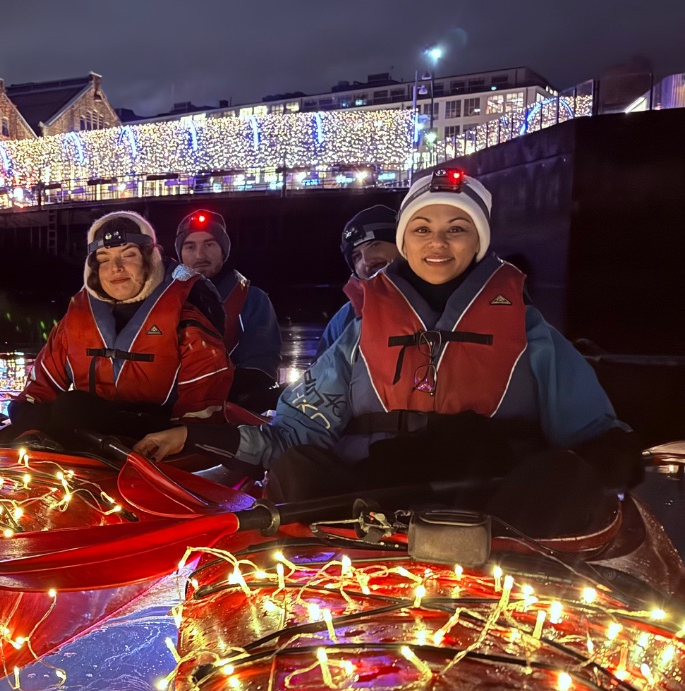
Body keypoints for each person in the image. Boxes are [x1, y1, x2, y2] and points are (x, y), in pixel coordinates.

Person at [134, 169, 640, 537]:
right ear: (407, 240)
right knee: (299, 466)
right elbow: (292, 434)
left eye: (456, 229)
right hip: (374, 506)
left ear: (479, 242)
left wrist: (610, 456)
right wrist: (194, 433)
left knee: (563, 474)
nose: (437, 243)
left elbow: (593, 436)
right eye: (422, 229)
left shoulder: (531, 332)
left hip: (495, 510)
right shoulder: (358, 332)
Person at [6, 211, 233, 448]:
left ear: (150, 259)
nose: (116, 268)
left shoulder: (187, 321)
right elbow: (38, 391)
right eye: (104, 259)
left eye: (129, 255)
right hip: (84, 427)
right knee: (56, 412)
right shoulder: (75, 320)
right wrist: (27, 419)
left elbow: (200, 416)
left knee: (71, 407)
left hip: (158, 438)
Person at [174, 209, 282, 407]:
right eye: (190, 246)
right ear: (180, 253)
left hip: (229, 408)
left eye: (209, 244)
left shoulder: (252, 300)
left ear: (223, 250)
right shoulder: (163, 299)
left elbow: (261, 365)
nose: (200, 255)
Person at [317, 205, 399, 357]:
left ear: (401, 244)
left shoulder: (442, 297)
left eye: (374, 245)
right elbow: (323, 376)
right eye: (356, 257)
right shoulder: (345, 319)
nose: (366, 261)